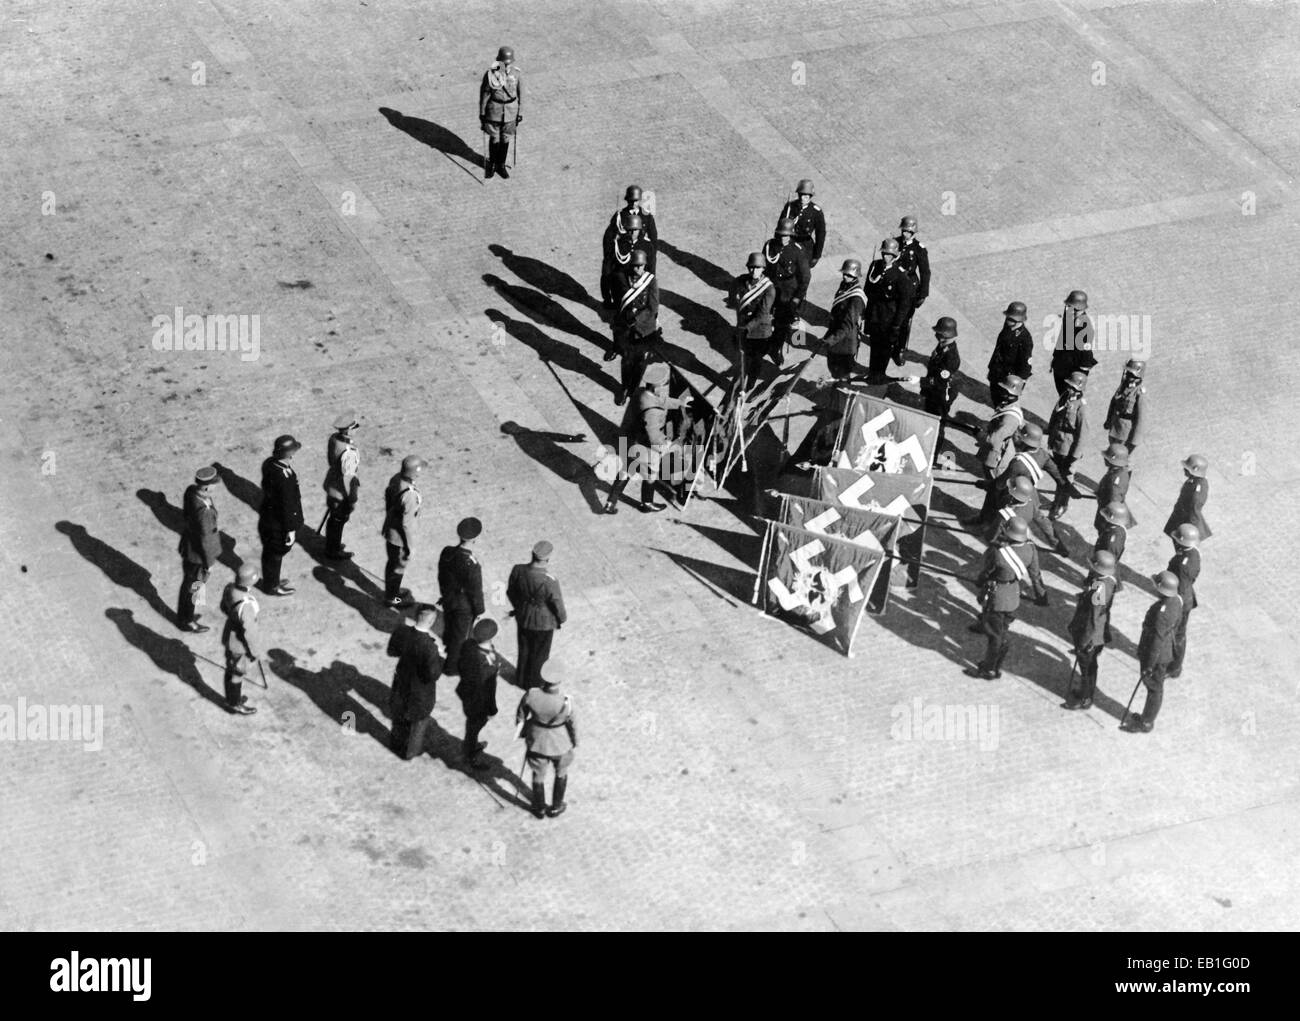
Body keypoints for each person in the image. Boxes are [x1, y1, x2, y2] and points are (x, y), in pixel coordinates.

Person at [965, 517, 1048, 680]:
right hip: (1013, 595)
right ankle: (992, 658)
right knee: (1001, 627)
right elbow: (1035, 573)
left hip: (997, 597)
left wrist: (980, 581)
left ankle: (989, 669)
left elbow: (987, 571)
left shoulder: (998, 552)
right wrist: (1040, 594)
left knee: (996, 636)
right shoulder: (1031, 548)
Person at [604, 361, 684, 513]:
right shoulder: (652, 412)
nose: (666, 386)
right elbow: (654, 437)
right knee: (651, 473)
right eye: (665, 383)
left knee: (627, 469)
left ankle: (610, 502)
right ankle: (647, 503)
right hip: (644, 445)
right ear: (657, 386)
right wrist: (667, 445)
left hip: (628, 439)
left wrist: (680, 403)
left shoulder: (641, 392)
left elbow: (659, 401)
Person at [1125, 571, 1182, 733]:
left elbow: (1156, 641)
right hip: (1164, 652)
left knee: (1154, 688)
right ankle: (1146, 718)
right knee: (1155, 687)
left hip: (1157, 656)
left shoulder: (1162, 613)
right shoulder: (1176, 601)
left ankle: (1146, 722)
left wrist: (1149, 664)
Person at [965, 374, 1025, 525]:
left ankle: (990, 522)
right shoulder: (1007, 405)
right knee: (993, 492)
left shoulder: (1010, 417)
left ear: (1013, 394)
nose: (1002, 392)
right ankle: (987, 519)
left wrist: (980, 435)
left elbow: (994, 440)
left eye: (1005, 391)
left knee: (995, 492)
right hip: (996, 454)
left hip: (997, 458)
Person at [387, 605, 445, 759]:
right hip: (420, 692)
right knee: (417, 725)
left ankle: (394, 744)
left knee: (398, 717)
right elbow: (433, 674)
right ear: (432, 621)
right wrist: (440, 656)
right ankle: (409, 753)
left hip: (401, 683)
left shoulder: (402, 631)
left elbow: (391, 651)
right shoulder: (430, 647)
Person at [507, 541, 567, 687]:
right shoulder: (550, 580)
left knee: (524, 649)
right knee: (540, 654)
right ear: (547, 559)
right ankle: (534, 683)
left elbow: (511, 591)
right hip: (544, 622)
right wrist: (561, 618)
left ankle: (521, 679)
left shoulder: (518, 570)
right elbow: (557, 603)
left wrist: (520, 607)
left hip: (524, 617)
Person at [517, 675, 578, 818]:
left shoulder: (531, 694)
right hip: (560, 743)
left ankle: (539, 809)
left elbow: (521, 714)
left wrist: (523, 731)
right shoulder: (566, 701)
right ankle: (556, 807)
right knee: (561, 772)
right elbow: (573, 724)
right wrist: (575, 741)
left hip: (537, 742)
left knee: (538, 775)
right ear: (559, 681)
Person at [1064, 550, 1117, 710]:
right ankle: (1085, 693)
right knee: (1090, 666)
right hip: (1100, 629)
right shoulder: (1109, 580)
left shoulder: (1099, 589)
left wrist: (1084, 641)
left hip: (1091, 633)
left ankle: (1085, 698)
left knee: (1087, 667)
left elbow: (1093, 617)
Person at [610, 248, 660, 404]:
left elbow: (653, 307)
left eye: (641, 266)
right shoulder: (621, 278)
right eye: (636, 266)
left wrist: (637, 319)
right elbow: (618, 303)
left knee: (640, 362)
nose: (639, 269)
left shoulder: (650, 281)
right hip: (626, 328)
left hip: (644, 329)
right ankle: (625, 388)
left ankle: (633, 389)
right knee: (626, 361)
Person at [438, 517, 485, 673]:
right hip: (463, 605)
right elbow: (476, 592)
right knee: (461, 637)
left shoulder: (447, 551)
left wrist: (445, 594)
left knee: (450, 626)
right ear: (475, 539)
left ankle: (448, 646)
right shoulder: (472, 564)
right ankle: (452, 667)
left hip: (448, 598)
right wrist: (479, 610)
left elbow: (441, 576)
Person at [863, 238, 915, 381]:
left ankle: (879, 375)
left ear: (895, 255)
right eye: (884, 253)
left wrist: (897, 325)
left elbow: (905, 303)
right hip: (874, 315)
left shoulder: (900, 275)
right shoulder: (875, 266)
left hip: (888, 319)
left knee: (884, 349)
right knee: (874, 346)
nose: (886, 257)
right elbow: (868, 289)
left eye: (889, 255)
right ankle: (872, 372)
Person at [258, 434, 304, 596]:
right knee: (276, 553)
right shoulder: (285, 477)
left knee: (270, 552)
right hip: (278, 524)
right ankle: (272, 586)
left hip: (268, 517)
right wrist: (291, 529)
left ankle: (272, 580)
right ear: (289, 454)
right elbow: (288, 505)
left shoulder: (269, 464)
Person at [177, 465, 221, 633]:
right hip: (198, 555)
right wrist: (209, 562)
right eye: (215, 484)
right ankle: (187, 620)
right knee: (194, 585)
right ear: (207, 487)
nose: (216, 487)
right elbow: (207, 539)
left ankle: (187, 614)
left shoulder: (191, 492)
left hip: (189, 547)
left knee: (191, 583)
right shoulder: (205, 512)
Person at [762, 217, 811, 362]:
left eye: (787, 235)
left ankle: (775, 348)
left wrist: (797, 298)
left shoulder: (797, 251)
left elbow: (805, 277)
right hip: (770, 288)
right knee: (763, 317)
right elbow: (763, 266)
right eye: (781, 234)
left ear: (791, 235)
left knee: (781, 324)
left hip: (787, 292)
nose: (784, 238)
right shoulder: (769, 246)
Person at [381, 454, 428, 607]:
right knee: (398, 568)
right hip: (400, 538)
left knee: (392, 564)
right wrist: (410, 547)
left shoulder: (396, 479)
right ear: (414, 473)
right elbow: (406, 524)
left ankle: (392, 593)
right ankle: (393, 599)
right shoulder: (410, 494)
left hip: (391, 529)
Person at [725, 252, 776, 390]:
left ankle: (750, 386)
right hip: (744, 328)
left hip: (760, 332)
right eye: (751, 267)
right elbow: (732, 286)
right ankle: (740, 383)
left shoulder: (769, 289)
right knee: (743, 359)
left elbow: (762, 314)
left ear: (763, 269)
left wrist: (746, 327)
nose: (754, 271)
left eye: (758, 268)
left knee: (756, 362)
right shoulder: (742, 280)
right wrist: (732, 300)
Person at [456, 618, 502, 769]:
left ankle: (472, 744)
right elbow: (490, 689)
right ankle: (470, 754)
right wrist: (492, 709)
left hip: (466, 693)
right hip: (479, 701)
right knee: (475, 725)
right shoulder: (488, 664)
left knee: (472, 724)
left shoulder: (468, 646)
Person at [220, 563, 263, 715]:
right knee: (237, 673)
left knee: (231, 669)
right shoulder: (246, 606)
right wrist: (255, 651)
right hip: (239, 644)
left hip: (230, 634)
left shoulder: (230, 588)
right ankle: (234, 703)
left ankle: (231, 699)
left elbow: (223, 607)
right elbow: (249, 633)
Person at [1046, 370, 1087, 519]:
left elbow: (1082, 435)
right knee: (1058, 477)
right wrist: (1050, 434)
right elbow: (1055, 416)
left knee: (1066, 479)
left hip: (1068, 449)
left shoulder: (1081, 407)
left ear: (1079, 389)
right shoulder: (1065, 397)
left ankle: (1062, 505)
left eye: (1072, 387)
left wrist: (1074, 457)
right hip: (1058, 443)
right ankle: (1056, 501)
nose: (1069, 388)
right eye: (1069, 385)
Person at [918, 317, 960, 454]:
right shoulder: (943, 346)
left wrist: (921, 382)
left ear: (945, 335)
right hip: (934, 392)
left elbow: (940, 381)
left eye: (939, 333)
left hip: (941, 395)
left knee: (937, 422)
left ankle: (933, 452)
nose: (936, 335)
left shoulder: (951, 357)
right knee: (929, 417)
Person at [601, 213, 657, 314]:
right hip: (621, 289)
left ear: (640, 230)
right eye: (629, 230)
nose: (632, 233)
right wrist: (607, 295)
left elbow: (651, 269)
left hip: (640, 287)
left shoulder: (647, 246)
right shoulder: (618, 244)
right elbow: (610, 268)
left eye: (635, 230)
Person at [479, 46, 522, 179]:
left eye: (508, 62)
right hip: (495, 109)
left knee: (506, 138)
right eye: (504, 62)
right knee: (495, 138)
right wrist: (482, 112)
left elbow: (521, 94)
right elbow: (485, 93)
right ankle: (491, 164)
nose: (506, 65)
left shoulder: (516, 74)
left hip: (511, 110)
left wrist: (520, 112)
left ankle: (501, 165)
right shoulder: (491, 74)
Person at [322, 412, 360, 560]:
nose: (356, 429)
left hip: (331, 482)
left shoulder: (334, 439)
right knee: (339, 520)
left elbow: (331, 461)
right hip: (341, 492)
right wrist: (351, 498)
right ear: (349, 430)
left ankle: (333, 544)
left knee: (334, 519)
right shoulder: (349, 452)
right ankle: (333, 549)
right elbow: (347, 478)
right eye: (355, 427)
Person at [1165, 523, 1201, 679]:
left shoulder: (1182, 563)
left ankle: (1174, 666)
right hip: (1186, 597)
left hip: (1181, 600)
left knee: (1177, 634)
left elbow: (1180, 584)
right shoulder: (1193, 553)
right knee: (1178, 633)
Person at [821, 258, 866, 380]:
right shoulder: (845, 286)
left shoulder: (856, 297)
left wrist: (831, 340)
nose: (845, 277)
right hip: (836, 336)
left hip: (846, 343)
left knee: (843, 375)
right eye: (844, 274)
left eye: (849, 275)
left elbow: (848, 324)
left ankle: (841, 396)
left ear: (855, 275)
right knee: (833, 370)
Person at [894, 215, 930, 360]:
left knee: (904, 321)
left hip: (909, 287)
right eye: (903, 230)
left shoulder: (918, 249)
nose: (904, 234)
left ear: (913, 232)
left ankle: (900, 349)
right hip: (894, 285)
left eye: (908, 232)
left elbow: (925, 272)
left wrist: (922, 294)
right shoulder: (894, 243)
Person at [1052, 289, 1097, 395]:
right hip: (1061, 364)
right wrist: (1055, 356)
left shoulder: (1085, 327)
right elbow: (1063, 335)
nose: (1071, 310)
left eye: (1075, 309)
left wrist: (1081, 376)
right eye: (1069, 307)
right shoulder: (1069, 313)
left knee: (1070, 396)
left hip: (1073, 369)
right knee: (1061, 394)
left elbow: (1086, 354)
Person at [987, 301, 1033, 402]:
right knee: (994, 397)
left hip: (1008, 378)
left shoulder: (1025, 339)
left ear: (1018, 320)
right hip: (997, 372)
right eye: (1007, 318)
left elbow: (1025, 366)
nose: (1007, 320)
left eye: (1010, 319)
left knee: (1003, 401)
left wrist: (1017, 386)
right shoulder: (1008, 327)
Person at [1163, 453, 1212, 540]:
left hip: (1186, 522)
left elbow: (1194, 511)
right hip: (1181, 516)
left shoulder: (1198, 490)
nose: (1184, 470)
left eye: (1186, 469)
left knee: (1182, 542)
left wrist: (1188, 530)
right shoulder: (1194, 481)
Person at [777, 180, 826, 267]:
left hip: (805, 247)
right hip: (789, 243)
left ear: (810, 196)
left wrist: (816, 255)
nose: (803, 198)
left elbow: (820, 235)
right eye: (801, 195)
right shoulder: (790, 207)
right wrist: (777, 243)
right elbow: (780, 226)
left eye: (806, 196)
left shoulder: (816, 211)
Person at [1104, 358, 1145, 453]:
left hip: (1125, 434)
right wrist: (1108, 420)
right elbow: (1113, 402)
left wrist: (1134, 442)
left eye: (1131, 373)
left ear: (1138, 375)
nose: (1128, 375)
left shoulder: (1139, 393)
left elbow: (1141, 420)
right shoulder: (1123, 386)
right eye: (1128, 372)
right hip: (1114, 429)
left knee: (1119, 460)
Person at [1093, 443, 1135, 532]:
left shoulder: (1115, 481)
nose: (1104, 458)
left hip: (1108, 510)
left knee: (1102, 527)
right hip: (1110, 507)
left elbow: (1113, 499)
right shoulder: (1120, 470)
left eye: (1107, 457)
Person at [1094, 501, 1132, 588]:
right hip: (1104, 562)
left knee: (1097, 583)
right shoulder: (1118, 529)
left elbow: (1107, 558)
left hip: (1103, 565)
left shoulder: (1113, 538)